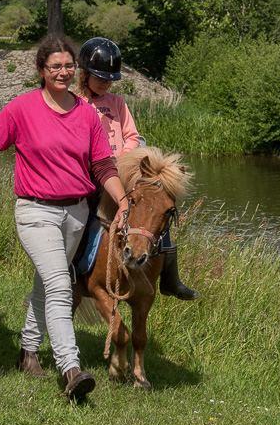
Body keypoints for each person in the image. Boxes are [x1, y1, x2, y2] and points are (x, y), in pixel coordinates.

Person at [0, 35, 130, 403]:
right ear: (41, 70)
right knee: (61, 286)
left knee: (47, 284)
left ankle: (28, 351)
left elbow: (102, 164)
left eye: (67, 66)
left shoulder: (86, 113)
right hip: (35, 212)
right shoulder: (21, 108)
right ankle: (71, 369)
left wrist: (123, 202)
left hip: (77, 213)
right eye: (54, 67)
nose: (62, 73)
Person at [75, 37, 200, 300]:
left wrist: (124, 157)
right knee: (80, 220)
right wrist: (99, 158)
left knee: (155, 213)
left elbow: (132, 135)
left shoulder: (117, 102)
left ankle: (169, 278)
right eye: (100, 77)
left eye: (109, 79)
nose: (106, 83)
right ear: (84, 74)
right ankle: (70, 272)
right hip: (90, 174)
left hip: (121, 171)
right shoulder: (75, 103)